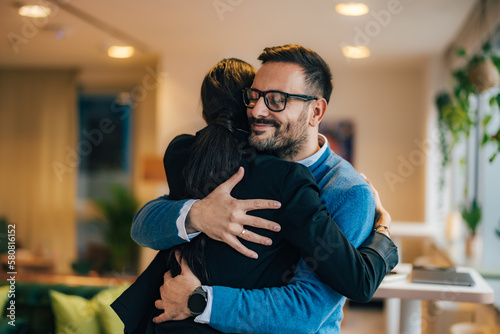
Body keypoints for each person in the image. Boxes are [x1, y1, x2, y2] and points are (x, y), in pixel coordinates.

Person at [124, 45, 398, 333]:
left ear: (316, 111)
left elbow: (306, 311)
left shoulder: (347, 193)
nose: (256, 110)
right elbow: (144, 225)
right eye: (254, 96)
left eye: (277, 100)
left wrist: (199, 300)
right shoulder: (241, 161)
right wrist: (197, 214)